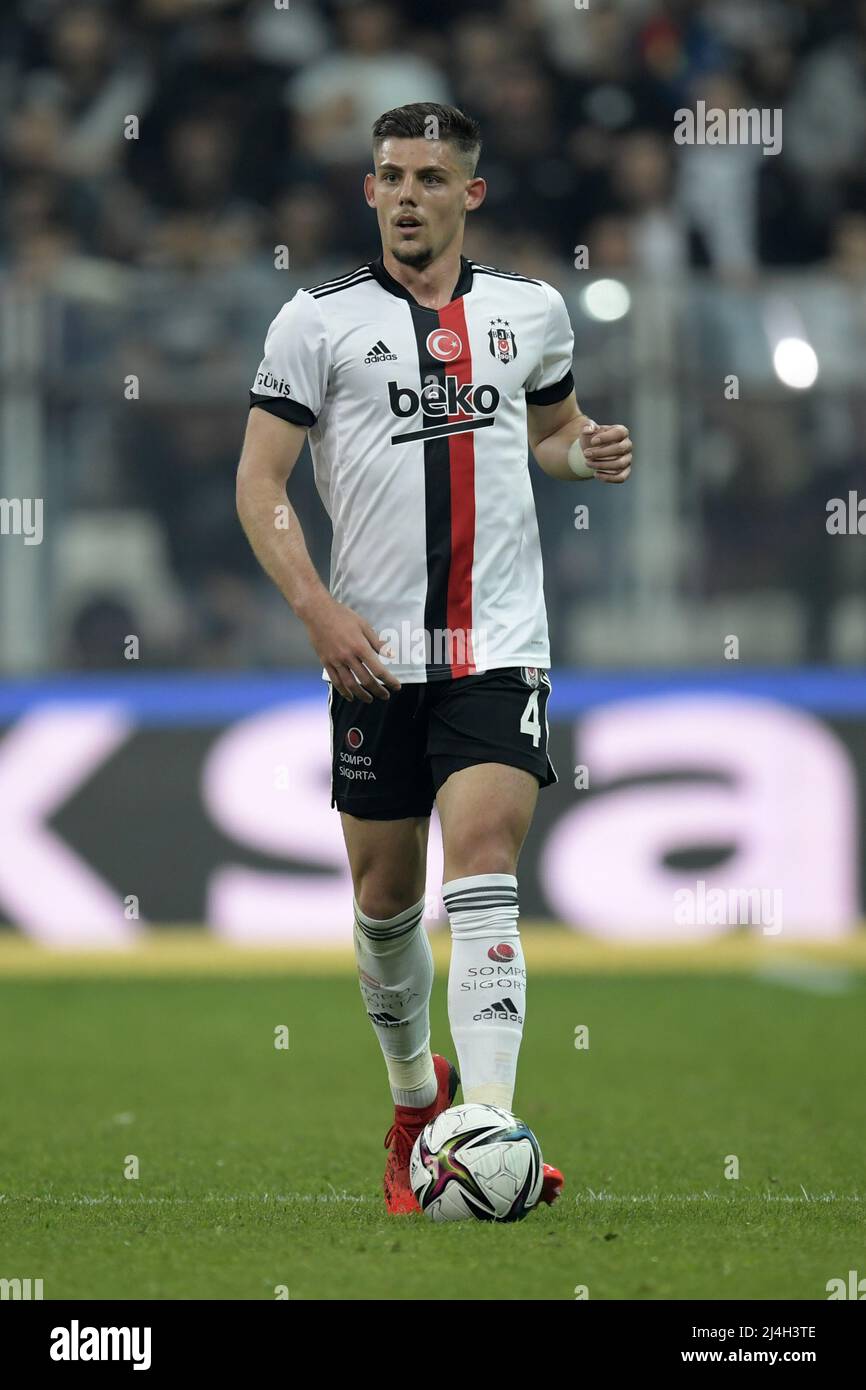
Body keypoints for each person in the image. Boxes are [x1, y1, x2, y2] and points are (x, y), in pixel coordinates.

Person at [237, 102, 633, 1214]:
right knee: (382, 898)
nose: (405, 193)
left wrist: (581, 453)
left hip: (497, 644)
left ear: (470, 193)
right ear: (368, 192)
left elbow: (550, 432)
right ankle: (417, 1099)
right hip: (372, 657)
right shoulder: (312, 324)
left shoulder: (530, 312)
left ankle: (486, 1130)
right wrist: (317, 613)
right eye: (387, 176)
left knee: (486, 852)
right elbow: (259, 484)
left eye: (426, 176)